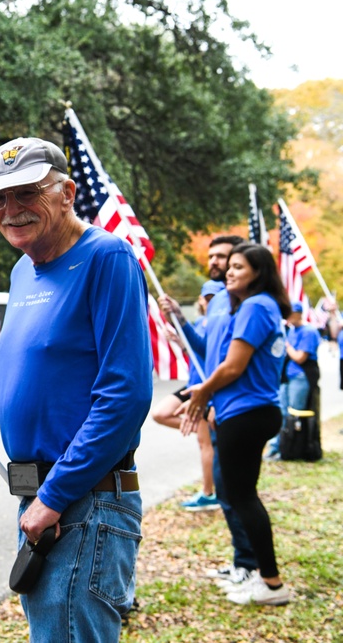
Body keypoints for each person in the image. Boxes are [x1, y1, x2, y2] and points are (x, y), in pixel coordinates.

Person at [0, 137, 152, 642]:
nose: (10, 210)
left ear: (67, 192)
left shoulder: (107, 258)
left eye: (26, 193)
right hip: (45, 500)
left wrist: (54, 497)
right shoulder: (22, 271)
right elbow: (39, 375)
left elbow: (125, 395)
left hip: (84, 502)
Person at [182, 242, 292, 605]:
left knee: (243, 498)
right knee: (239, 494)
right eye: (228, 266)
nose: (229, 271)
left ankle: (271, 584)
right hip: (247, 412)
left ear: (258, 273)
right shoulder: (254, 306)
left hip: (246, 412)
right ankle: (259, 574)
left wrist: (202, 393)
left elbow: (233, 366)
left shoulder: (256, 306)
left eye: (239, 267)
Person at [160, 234, 259, 589]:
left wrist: (212, 401)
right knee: (229, 492)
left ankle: (253, 568)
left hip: (235, 407)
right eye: (212, 256)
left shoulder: (245, 305)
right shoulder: (218, 304)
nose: (215, 262)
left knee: (237, 492)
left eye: (223, 257)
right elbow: (207, 354)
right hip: (221, 406)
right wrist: (181, 322)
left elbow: (235, 365)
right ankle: (242, 562)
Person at [150, 279, 223, 512]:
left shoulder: (219, 322)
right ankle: (199, 428)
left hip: (203, 387)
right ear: (201, 300)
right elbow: (197, 352)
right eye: (207, 298)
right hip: (190, 384)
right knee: (160, 413)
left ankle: (209, 493)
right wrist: (181, 344)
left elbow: (208, 353)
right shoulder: (200, 322)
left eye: (215, 298)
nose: (210, 302)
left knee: (205, 445)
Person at [267, 301, 321, 459]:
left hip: (300, 377)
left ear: (298, 313)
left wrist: (287, 346)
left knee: (294, 414)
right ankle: (277, 446)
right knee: (281, 411)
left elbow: (299, 357)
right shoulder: (291, 330)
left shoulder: (309, 331)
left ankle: (290, 448)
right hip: (287, 377)